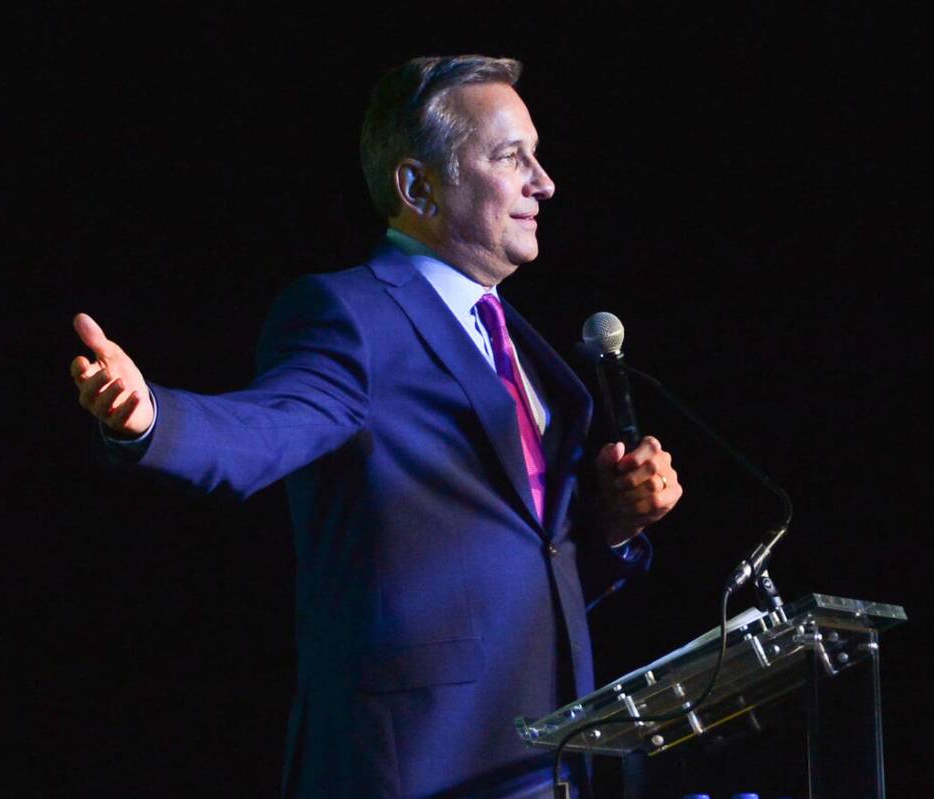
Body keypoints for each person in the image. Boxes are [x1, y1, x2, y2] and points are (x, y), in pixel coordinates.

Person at [70, 55, 681, 799]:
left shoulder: (518, 342)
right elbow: (265, 430)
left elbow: (530, 555)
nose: (543, 182)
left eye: (538, 155)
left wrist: (612, 523)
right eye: (510, 157)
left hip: (545, 758)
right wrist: (152, 417)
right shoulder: (350, 314)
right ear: (417, 185)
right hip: (416, 765)